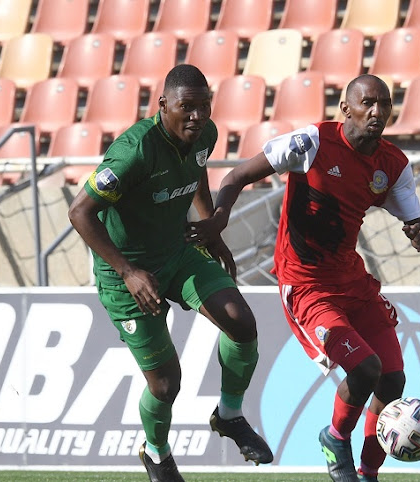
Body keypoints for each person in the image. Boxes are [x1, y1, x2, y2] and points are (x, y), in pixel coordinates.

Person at [187, 74, 420, 482]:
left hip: (353, 282)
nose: (377, 111)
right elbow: (234, 178)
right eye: (367, 102)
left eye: (384, 104)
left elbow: (414, 219)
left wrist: (419, 233)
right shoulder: (312, 143)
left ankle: (367, 473)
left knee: (393, 379)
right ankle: (335, 437)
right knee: (366, 369)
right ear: (346, 108)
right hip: (307, 286)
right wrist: (218, 219)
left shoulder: (393, 164)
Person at [68, 64, 273, 482]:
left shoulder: (205, 134)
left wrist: (209, 225)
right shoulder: (134, 151)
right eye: (187, 107)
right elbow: (80, 212)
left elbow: (195, 167)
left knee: (241, 322)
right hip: (126, 272)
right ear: (163, 105)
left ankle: (229, 416)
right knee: (166, 385)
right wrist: (127, 271)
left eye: (204, 106)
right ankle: (156, 452)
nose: (197, 116)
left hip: (178, 252)